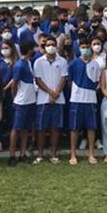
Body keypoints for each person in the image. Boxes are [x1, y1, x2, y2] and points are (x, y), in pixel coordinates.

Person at [32, 36, 68, 164]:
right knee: (41, 128)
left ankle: (53, 154)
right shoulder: (38, 62)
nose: (51, 47)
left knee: (55, 128)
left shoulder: (62, 61)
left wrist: (56, 93)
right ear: (44, 47)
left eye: (53, 44)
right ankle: (40, 154)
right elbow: (38, 79)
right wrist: (50, 92)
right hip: (43, 99)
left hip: (59, 99)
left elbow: (64, 78)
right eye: (48, 45)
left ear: (57, 46)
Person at [68, 40, 102, 165]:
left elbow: (97, 81)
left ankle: (91, 154)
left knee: (91, 128)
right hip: (76, 100)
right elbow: (69, 81)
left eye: (87, 47)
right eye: (83, 47)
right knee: (74, 128)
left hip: (91, 100)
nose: (86, 49)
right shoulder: (73, 64)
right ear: (79, 48)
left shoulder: (95, 64)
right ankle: (73, 154)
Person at [7, 40, 37, 166]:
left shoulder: (28, 62)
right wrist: (14, 98)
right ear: (30, 49)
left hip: (30, 100)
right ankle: (12, 155)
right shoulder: (19, 65)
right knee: (16, 128)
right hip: (22, 101)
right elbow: (14, 83)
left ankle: (23, 153)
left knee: (25, 128)